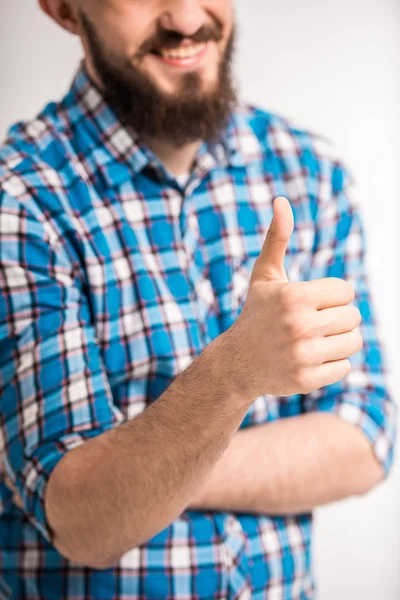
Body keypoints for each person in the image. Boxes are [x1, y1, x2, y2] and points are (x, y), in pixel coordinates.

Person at [0, 1, 396, 598]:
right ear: (63, 9)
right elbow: (83, 520)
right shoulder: (20, 197)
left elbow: (366, 438)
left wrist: (159, 468)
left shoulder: (308, 170)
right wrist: (234, 373)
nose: (186, 18)